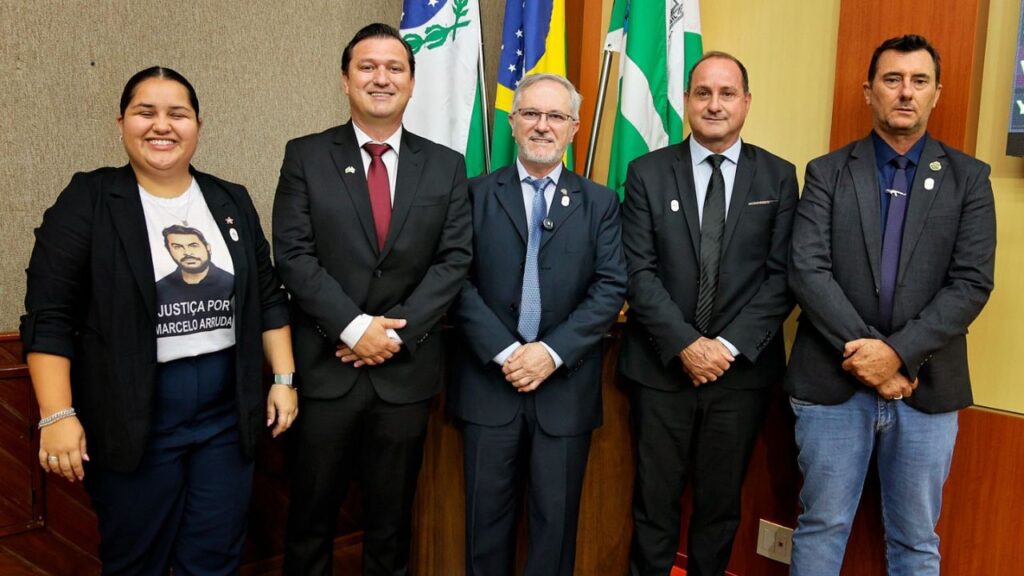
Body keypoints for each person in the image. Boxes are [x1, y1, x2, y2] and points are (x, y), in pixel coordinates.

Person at [21, 66, 297, 575]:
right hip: (135, 416)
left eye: (178, 114)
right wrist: (56, 415)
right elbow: (49, 316)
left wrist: (283, 379)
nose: (161, 125)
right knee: (137, 561)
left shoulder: (229, 199)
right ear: (121, 122)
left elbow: (269, 294)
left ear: (198, 125)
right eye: (145, 112)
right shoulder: (90, 200)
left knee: (214, 558)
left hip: (226, 415)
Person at [786, 34, 996, 575]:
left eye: (919, 81)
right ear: (869, 91)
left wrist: (898, 355)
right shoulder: (827, 172)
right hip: (832, 384)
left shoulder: (970, 179)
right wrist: (872, 360)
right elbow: (807, 271)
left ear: (936, 94)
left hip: (927, 387)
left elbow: (971, 283)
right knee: (821, 526)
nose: (906, 92)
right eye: (893, 79)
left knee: (916, 541)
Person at [272, 22, 472, 575]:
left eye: (395, 68)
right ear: (344, 79)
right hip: (325, 371)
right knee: (311, 521)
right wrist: (354, 327)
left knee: (391, 524)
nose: (381, 78)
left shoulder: (446, 164)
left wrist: (391, 335)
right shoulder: (305, 156)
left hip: (403, 375)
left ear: (411, 83)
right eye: (367, 67)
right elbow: (293, 255)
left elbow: (454, 259)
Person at [619, 52, 798, 576]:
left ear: (746, 101)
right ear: (685, 101)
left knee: (720, 510)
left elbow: (782, 276)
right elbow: (638, 272)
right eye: (702, 93)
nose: (713, 104)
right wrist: (686, 345)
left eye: (726, 94)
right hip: (660, 370)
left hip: (739, 375)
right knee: (653, 506)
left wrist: (723, 348)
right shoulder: (647, 173)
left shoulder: (780, 177)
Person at [447, 73, 627, 576]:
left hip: (564, 393)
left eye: (556, 116)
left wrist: (548, 353)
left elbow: (611, 288)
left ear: (574, 127)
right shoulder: (472, 194)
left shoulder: (601, 203)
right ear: (512, 122)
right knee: (484, 532)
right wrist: (508, 353)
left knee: (555, 534)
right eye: (531, 114)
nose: (542, 126)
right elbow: (454, 282)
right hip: (488, 388)